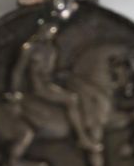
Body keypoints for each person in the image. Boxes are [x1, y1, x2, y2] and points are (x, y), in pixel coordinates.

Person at [9, 20, 100, 152]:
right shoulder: (29, 48)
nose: (49, 34)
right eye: (47, 30)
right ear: (41, 29)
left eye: (52, 31)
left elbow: (49, 73)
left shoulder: (52, 49)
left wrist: (61, 75)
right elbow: (18, 70)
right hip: (37, 88)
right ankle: (82, 138)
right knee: (72, 99)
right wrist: (14, 91)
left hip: (48, 84)